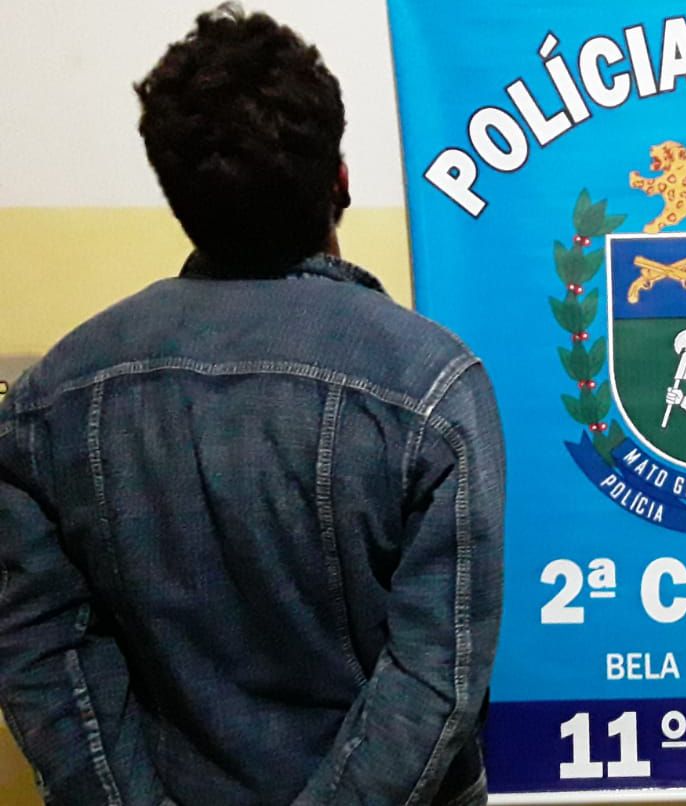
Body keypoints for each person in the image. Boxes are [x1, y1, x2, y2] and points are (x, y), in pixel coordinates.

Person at [0, 5, 504, 804]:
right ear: (340, 180)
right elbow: (435, 679)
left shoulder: (50, 401)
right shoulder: (434, 392)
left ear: (176, 196)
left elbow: (41, 656)